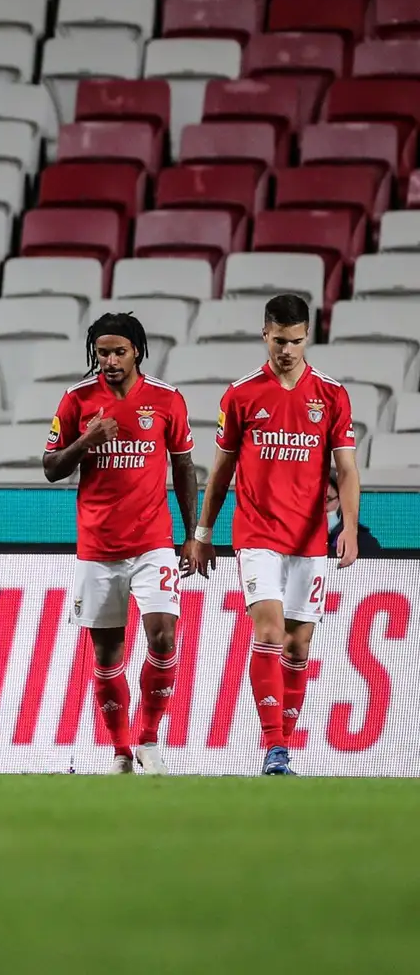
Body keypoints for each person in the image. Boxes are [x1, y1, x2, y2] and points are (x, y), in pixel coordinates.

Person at [192, 294, 359, 777]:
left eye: (297, 340)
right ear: (264, 334)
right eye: (280, 340)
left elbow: (346, 469)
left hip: (309, 540)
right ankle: (274, 748)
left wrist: (347, 526)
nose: (288, 350)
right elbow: (221, 470)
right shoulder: (241, 394)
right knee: (268, 632)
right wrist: (203, 532)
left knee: (298, 646)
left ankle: (283, 743)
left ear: (307, 337)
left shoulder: (330, 394)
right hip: (257, 533)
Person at [42, 313, 196, 775]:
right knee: (107, 656)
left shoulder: (167, 400)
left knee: (163, 637)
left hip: (154, 541)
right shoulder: (76, 400)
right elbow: (51, 467)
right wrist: (86, 440)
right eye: (103, 352)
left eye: (119, 351)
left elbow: (184, 467)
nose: (110, 361)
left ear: (137, 352)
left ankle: (149, 737)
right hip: (97, 546)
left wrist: (194, 536)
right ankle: (121, 751)